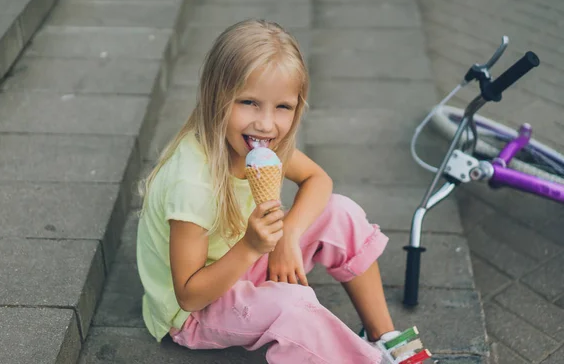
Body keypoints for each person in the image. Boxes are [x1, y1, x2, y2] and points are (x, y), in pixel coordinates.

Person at [136, 19, 427, 363]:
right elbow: (188, 295)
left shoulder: (257, 146)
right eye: (249, 102)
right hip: (195, 313)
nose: (266, 123)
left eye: (283, 107)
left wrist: (288, 236)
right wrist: (251, 248)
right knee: (294, 307)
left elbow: (317, 179)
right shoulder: (192, 184)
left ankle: (384, 336)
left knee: (341, 212)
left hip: (243, 261)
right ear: (216, 96)